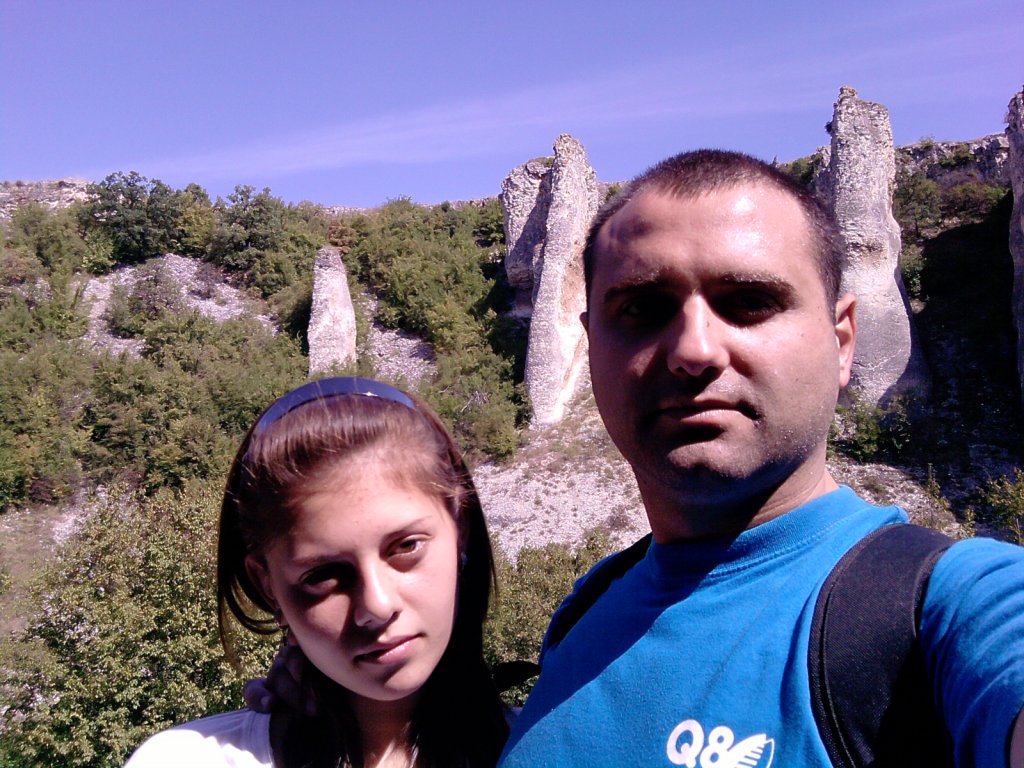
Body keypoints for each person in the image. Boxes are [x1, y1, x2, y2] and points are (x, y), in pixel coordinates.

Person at [497, 149, 1024, 767]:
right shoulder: (585, 609)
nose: (694, 350)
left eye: (749, 301)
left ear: (842, 342)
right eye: (641, 308)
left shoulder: (951, 609)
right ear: (590, 347)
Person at [125, 377, 508, 768]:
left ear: (460, 530)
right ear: (268, 585)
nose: (377, 606)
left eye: (406, 547)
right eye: (323, 575)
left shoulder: (540, 751)